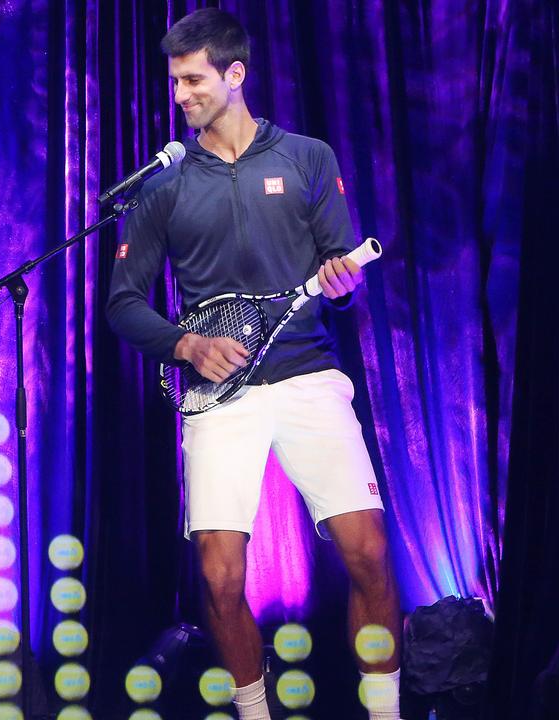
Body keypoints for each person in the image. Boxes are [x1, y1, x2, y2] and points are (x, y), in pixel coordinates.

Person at [106, 8, 401, 720]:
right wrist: (187, 344)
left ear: (235, 75)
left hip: (308, 378)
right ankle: (255, 712)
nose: (180, 94)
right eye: (175, 80)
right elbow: (122, 302)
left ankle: (386, 711)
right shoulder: (163, 186)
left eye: (193, 78)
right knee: (218, 574)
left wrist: (341, 280)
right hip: (220, 395)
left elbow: (338, 263)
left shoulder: (307, 157)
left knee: (368, 554)